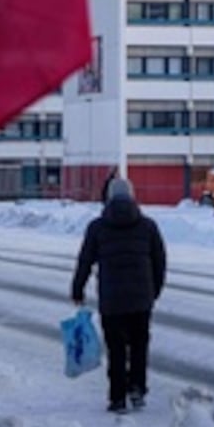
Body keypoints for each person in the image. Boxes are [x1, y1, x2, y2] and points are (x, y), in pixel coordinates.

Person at [71, 177, 166, 414]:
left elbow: (85, 261)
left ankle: (117, 398)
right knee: (139, 346)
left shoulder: (98, 227)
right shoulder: (148, 226)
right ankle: (137, 389)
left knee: (116, 348)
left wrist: (77, 288)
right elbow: (159, 261)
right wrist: (153, 291)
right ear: (133, 196)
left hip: (112, 299)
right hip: (141, 299)